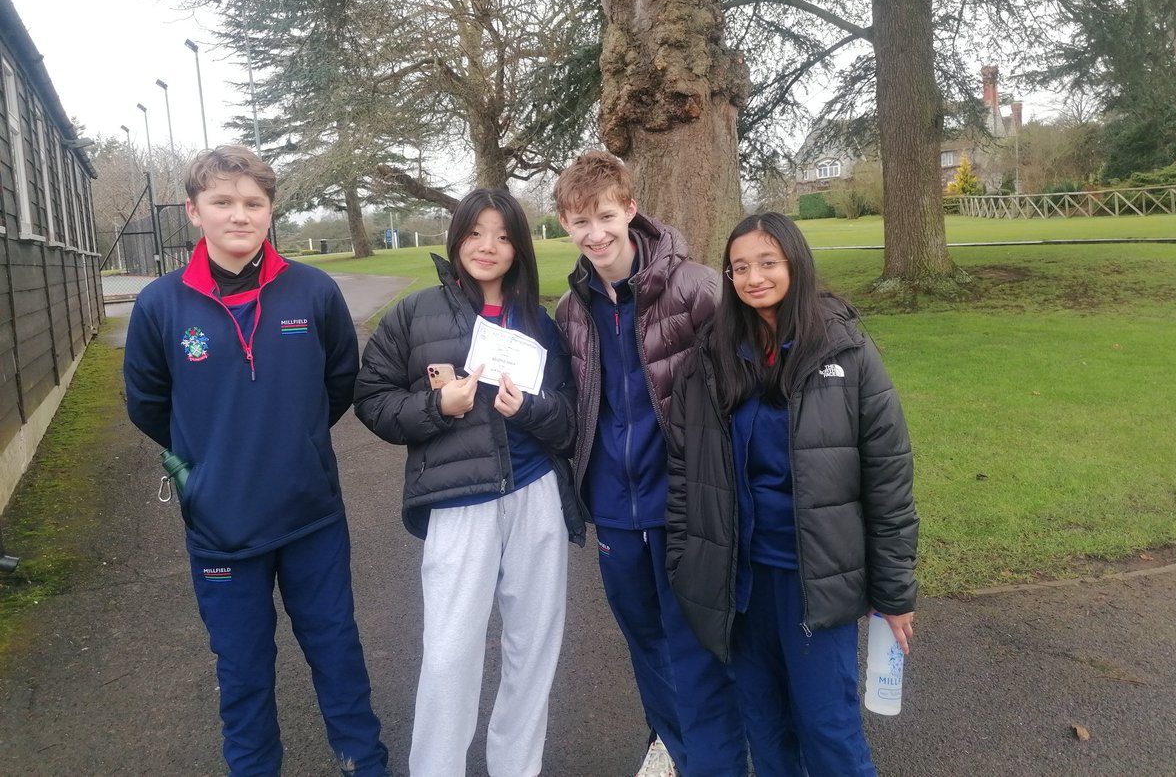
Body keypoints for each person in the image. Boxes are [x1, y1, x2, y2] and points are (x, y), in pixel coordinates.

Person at [123, 145, 389, 777]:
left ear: (270, 211)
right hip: (221, 527)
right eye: (222, 202)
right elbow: (148, 404)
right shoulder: (161, 305)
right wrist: (213, 462)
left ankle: (366, 763)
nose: (238, 215)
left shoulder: (314, 291)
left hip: (310, 517)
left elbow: (339, 382)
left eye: (253, 203)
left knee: (337, 653)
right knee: (242, 673)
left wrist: (289, 439)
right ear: (193, 211)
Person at [664, 212, 919, 777]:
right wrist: (686, 563)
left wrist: (894, 591)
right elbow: (685, 471)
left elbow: (889, 475)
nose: (753, 277)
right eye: (740, 268)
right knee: (766, 725)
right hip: (741, 581)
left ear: (795, 263)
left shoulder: (845, 349)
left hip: (813, 581)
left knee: (828, 729)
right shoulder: (711, 356)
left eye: (767, 263)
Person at [354, 188, 584, 777]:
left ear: (519, 248)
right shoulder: (415, 313)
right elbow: (372, 401)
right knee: (451, 653)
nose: (488, 246)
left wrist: (528, 408)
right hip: (460, 503)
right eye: (477, 232)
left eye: (504, 236)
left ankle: (517, 767)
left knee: (533, 648)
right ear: (457, 237)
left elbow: (568, 417)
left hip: (535, 495)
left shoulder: (538, 319)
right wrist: (438, 404)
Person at [554, 151, 746, 777]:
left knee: (693, 640)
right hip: (613, 506)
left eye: (605, 215)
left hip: (683, 502)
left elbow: (744, 388)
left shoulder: (696, 288)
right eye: (580, 222)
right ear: (565, 225)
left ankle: (712, 754)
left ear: (630, 210)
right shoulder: (571, 310)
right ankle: (673, 745)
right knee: (645, 643)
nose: (596, 234)